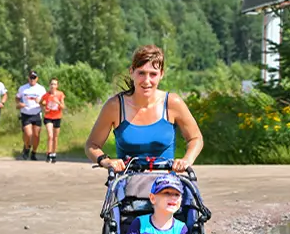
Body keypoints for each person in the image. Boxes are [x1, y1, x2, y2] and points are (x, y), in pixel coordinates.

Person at [84, 44, 203, 172]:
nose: (147, 81)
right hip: (128, 184)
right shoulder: (115, 106)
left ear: (161, 74)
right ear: (131, 72)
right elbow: (92, 145)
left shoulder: (172, 103)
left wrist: (186, 160)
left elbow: (195, 138)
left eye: (153, 74)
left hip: (164, 186)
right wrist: (106, 161)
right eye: (141, 73)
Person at [15, 70, 47, 161]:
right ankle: (27, 147)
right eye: (30, 77)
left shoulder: (41, 89)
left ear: (37, 79)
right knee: (28, 134)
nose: (32, 79)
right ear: (28, 78)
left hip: (36, 113)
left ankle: (34, 152)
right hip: (26, 113)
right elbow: (17, 98)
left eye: (34, 78)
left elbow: (45, 102)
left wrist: (40, 102)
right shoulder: (23, 88)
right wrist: (19, 103)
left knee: (36, 135)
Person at [39, 77, 65, 163]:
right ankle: (48, 153)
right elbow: (41, 103)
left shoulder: (60, 94)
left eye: (54, 84)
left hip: (57, 117)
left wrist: (58, 102)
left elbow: (63, 107)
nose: (52, 86)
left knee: (55, 137)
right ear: (49, 85)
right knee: (50, 135)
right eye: (51, 84)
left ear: (57, 86)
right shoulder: (46, 95)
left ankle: (54, 153)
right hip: (48, 117)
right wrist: (43, 109)